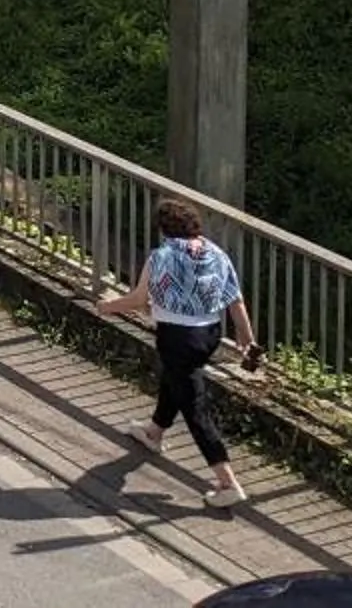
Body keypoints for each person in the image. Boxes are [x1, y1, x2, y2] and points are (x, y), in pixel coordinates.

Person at [97, 198, 258, 508]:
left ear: (163, 228)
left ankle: (227, 483)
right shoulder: (216, 252)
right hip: (210, 333)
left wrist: (106, 307)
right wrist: (247, 338)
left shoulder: (162, 257)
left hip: (177, 336)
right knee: (177, 381)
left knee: (195, 408)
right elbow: (234, 298)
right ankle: (153, 432)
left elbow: (138, 298)